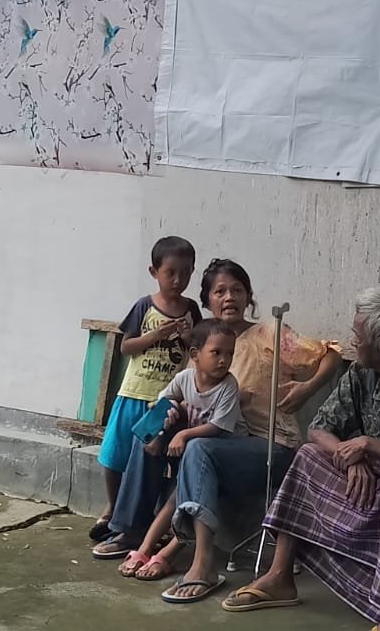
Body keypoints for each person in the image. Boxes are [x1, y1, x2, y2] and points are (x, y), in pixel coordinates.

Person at [222, 288, 380, 631]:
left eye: (358, 335)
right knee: (309, 455)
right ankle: (280, 576)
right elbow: (318, 429)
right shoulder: (360, 374)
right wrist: (352, 458)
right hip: (376, 475)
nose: (353, 341)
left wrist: (368, 445)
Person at [157, 258, 343, 605]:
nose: (229, 297)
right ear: (207, 301)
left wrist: (307, 389)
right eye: (220, 291)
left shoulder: (269, 334)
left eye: (237, 290)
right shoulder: (207, 344)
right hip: (227, 445)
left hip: (273, 446)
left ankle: (201, 564)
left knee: (197, 448)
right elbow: (188, 395)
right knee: (183, 447)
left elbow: (331, 354)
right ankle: (163, 545)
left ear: (248, 296)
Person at [90, 236, 203, 546]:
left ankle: (144, 517)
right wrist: (156, 335)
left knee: (149, 458)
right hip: (134, 392)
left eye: (186, 273)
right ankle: (113, 508)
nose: (178, 280)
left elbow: (198, 350)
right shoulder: (144, 305)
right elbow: (126, 346)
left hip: (166, 400)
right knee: (115, 454)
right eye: (170, 273)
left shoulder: (191, 309)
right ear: (154, 272)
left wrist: (187, 336)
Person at [120, 319, 245, 585]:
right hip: (196, 454)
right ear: (195, 355)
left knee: (181, 498)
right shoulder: (185, 378)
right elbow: (163, 400)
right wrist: (166, 417)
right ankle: (144, 548)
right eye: (217, 352)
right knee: (174, 498)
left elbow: (217, 428)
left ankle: (166, 552)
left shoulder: (228, 386)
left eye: (230, 354)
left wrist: (183, 434)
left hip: (223, 453)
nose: (224, 360)